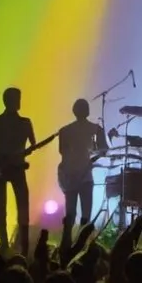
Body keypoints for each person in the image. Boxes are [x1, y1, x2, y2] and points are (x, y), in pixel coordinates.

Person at [0, 87, 36, 257]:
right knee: (9, 205)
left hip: (13, 167)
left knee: (12, 205)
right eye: (16, 99)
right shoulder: (20, 123)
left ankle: (14, 243)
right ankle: (10, 242)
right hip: (8, 168)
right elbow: (32, 145)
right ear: (10, 101)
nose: (18, 102)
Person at [57, 98, 107, 250]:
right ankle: (83, 245)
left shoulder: (64, 130)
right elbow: (104, 150)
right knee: (86, 213)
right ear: (88, 111)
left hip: (69, 175)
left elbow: (62, 152)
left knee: (70, 212)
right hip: (85, 176)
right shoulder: (96, 129)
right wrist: (92, 160)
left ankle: (66, 243)